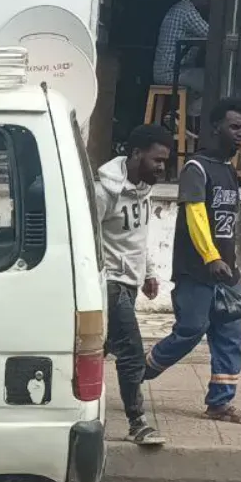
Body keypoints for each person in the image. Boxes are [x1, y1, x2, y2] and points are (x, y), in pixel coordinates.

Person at [144, 98, 241, 425]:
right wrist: (211, 256)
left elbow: (227, 221)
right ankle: (137, 371)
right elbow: (196, 213)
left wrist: (231, 263)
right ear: (215, 127)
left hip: (226, 272)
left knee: (229, 336)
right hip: (197, 270)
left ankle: (220, 403)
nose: (240, 134)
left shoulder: (229, 170)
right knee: (191, 330)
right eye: (234, 127)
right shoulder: (196, 168)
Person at [95, 124, 173, 446]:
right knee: (130, 353)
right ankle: (137, 422)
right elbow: (84, 234)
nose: (161, 167)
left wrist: (149, 272)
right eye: (157, 159)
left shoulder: (144, 187)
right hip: (109, 282)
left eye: (164, 161)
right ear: (136, 154)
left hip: (130, 281)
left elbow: (139, 236)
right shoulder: (104, 192)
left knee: (95, 351)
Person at [153, 0, 211, 118]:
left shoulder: (179, 8)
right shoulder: (187, 11)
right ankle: (183, 115)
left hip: (167, 70)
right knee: (216, 83)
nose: (209, 1)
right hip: (172, 73)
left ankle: (183, 120)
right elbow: (212, 35)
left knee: (202, 81)